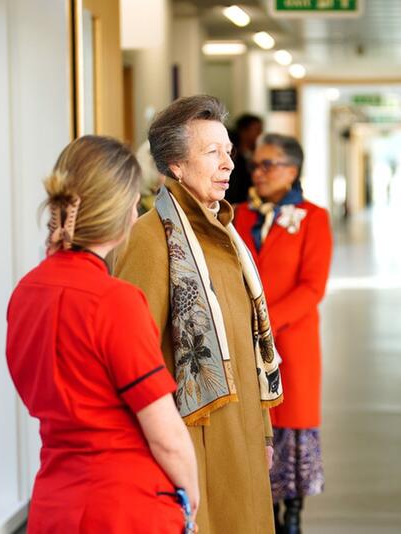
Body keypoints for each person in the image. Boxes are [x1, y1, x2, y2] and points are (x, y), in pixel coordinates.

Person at [6, 135, 199, 532]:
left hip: (54, 504)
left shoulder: (25, 293)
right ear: (123, 213)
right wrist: (191, 500)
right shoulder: (115, 301)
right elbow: (165, 435)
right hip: (126, 506)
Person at [114, 95, 282, 534]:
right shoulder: (151, 241)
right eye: (212, 153)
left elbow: (247, 341)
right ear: (175, 165)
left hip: (242, 433)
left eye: (228, 151)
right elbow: (134, 359)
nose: (229, 164)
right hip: (194, 441)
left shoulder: (225, 234)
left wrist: (263, 431)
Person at [232, 133, 333, 534]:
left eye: (268, 164)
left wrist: (264, 322)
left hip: (292, 342)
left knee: (293, 426)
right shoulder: (236, 215)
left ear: (292, 171)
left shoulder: (314, 217)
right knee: (254, 423)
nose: (258, 172)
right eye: (255, 164)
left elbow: (313, 287)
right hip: (242, 342)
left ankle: (293, 512)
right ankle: (263, 512)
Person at [225, 113, 264, 204]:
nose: (260, 134)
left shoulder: (255, 156)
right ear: (243, 132)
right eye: (257, 130)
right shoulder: (231, 157)